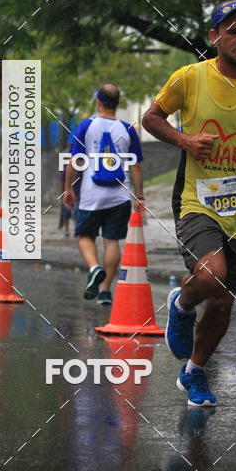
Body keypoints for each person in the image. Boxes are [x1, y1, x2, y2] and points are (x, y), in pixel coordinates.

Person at [142, 0, 236, 408]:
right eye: (233, 31)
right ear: (215, 36)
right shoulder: (189, 78)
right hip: (196, 199)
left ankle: (195, 372)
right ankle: (182, 303)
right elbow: (152, 118)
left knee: (223, 300)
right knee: (212, 276)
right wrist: (185, 141)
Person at [63, 84, 145, 305]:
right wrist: (139, 196)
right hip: (119, 196)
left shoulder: (86, 126)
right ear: (117, 103)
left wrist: (68, 187)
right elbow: (135, 166)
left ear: (98, 102)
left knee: (85, 237)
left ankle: (94, 267)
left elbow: (75, 162)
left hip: (92, 196)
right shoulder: (129, 130)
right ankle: (105, 290)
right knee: (112, 241)